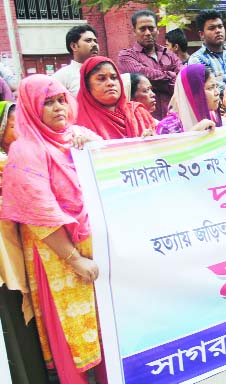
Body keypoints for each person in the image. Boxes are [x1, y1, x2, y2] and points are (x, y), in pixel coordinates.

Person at [1, 75, 105, 384]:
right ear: (32, 108)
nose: (58, 107)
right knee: (71, 334)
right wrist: (75, 259)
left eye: (61, 99)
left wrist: (93, 146)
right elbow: (38, 213)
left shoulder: (77, 135)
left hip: (92, 246)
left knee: (105, 326)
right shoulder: (25, 150)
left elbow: (114, 165)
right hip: (57, 256)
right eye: (48, 102)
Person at [0, 100, 50, 384]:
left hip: (29, 248)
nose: (21, 130)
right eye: (13, 125)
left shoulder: (33, 157)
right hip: (7, 255)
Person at [118, 10, 183, 120]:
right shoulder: (126, 56)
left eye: (151, 28)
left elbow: (183, 79)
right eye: (142, 29)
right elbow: (144, 76)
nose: (147, 33)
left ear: (157, 30)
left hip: (175, 118)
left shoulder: (169, 54)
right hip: (144, 121)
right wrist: (172, 76)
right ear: (134, 31)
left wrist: (160, 81)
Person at [77, 56, 156, 139]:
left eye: (114, 78)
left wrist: (153, 139)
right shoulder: (79, 122)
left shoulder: (138, 112)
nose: (110, 83)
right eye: (102, 79)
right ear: (87, 86)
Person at [189, 10, 226, 96]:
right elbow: (210, 87)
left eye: (220, 26)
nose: (218, 31)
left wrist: (220, 78)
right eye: (212, 28)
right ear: (201, 34)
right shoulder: (197, 59)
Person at [156, 64, 221, 134]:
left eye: (216, 86)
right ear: (192, 94)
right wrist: (195, 133)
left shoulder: (214, 118)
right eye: (210, 88)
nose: (217, 92)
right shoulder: (167, 127)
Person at [53, 25, 99, 96]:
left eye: (95, 41)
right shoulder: (62, 76)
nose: (94, 45)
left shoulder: (104, 72)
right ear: (74, 46)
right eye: (88, 41)